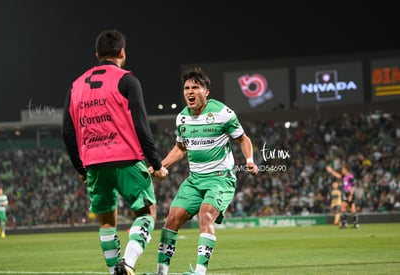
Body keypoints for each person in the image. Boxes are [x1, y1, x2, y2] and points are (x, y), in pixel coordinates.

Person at [62, 29, 168, 275]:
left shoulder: (75, 86)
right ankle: (128, 263)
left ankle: (115, 272)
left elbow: (67, 132)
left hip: (94, 163)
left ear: (97, 54)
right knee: (146, 212)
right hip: (126, 159)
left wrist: (80, 167)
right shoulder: (127, 80)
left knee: (107, 222)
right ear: (122, 52)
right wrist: (157, 163)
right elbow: (142, 125)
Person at [150, 67, 259, 275]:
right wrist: (161, 165)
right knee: (172, 219)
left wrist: (250, 160)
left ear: (206, 91)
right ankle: (160, 272)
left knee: (205, 214)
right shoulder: (182, 118)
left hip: (220, 179)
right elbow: (180, 149)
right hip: (194, 180)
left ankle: (199, 272)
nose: (190, 92)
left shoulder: (222, 113)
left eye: (195, 87)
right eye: (186, 88)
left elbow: (243, 139)